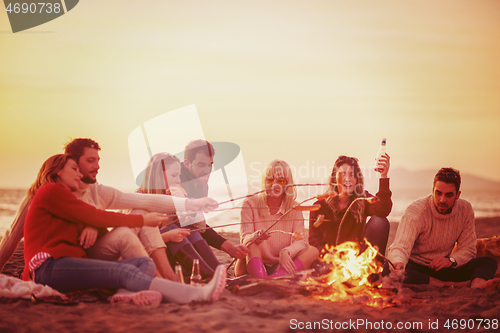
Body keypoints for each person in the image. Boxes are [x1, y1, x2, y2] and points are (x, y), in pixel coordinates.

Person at [23, 154, 226, 305]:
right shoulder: (51, 191)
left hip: (68, 264)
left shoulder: (70, 197)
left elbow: (101, 212)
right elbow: (95, 215)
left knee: (141, 262)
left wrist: (191, 204)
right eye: (74, 169)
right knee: (126, 270)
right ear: (57, 171)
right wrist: (142, 219)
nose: (79, 174)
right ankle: (192, 295)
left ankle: (126, 294)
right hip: (48, 267)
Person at [0, 138, 218, 274]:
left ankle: (174, 279)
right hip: (61, 263)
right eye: (90, 161)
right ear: (71, 164)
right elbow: (11, 236)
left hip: (91, 255)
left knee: (144, 213)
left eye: (97, 160)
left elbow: (140, 202)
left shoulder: (96, 191)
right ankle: (167, 279)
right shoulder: (42, 196)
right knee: (143, 218)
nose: (97, 166)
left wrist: (191, 203)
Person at [386, 168, 498, 288]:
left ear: (457, 195)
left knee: (488, 262)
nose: (442, 200)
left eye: (448, 195)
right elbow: (400, 246)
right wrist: (398, 262)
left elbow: (468, 248)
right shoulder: (416, 211)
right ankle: (448, 284)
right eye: (438, 193)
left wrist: (450, 260)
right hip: (416, 267)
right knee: (387, 270)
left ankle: (477, 285)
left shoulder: (465, 209)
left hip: (444, 268)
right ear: (432, 190)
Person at [131, 152, 218, 279]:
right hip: (146, 262)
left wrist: (183, 203)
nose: (178, 180)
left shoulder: (171, 197)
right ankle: (209, 276)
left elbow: (201, 227)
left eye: (179, 176)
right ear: (158, 175)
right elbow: (131, 245)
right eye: (174, 175)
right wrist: (167, 236)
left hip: (170, 260)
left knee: (190, 230)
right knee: (172, 230)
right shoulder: (137, 200)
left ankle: (218, 273)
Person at [236, 160, 319, 278]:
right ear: (264, 181)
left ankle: (272, 279)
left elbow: (301, 241)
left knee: (312, 251)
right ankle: (266, 280)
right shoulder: (249, 204)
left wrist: (286, 252)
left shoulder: (294, 208)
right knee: (252, 244)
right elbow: (245, 239)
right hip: (250, 264)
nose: (275, 184)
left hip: (279, 265)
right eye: (270, 180)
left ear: (287, 185)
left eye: (281, 181)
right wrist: (257, 236)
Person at [180, 139, 248, 268]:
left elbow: (199, 225)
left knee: (194, 231)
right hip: (164, 234)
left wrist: (229, 248)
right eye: (201, 165)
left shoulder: (201, 184)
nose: (207, 170)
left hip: (187, 232)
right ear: (187, 163)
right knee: (191, 231)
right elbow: (192, 225)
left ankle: (215, 272)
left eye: (210, 165)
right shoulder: (175, 179)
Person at [309, 155, 392, 258]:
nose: (348, 179)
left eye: (352, 175)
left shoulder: (363, 200)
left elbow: (383, 210)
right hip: (330, 262)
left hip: (356, 261)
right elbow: (314, 240)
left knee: (380, 222)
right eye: (343, 174)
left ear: (357, 179)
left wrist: (383, 175)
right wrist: (327, 254)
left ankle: (373, 272)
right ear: (334, 178)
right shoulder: (320, 206)